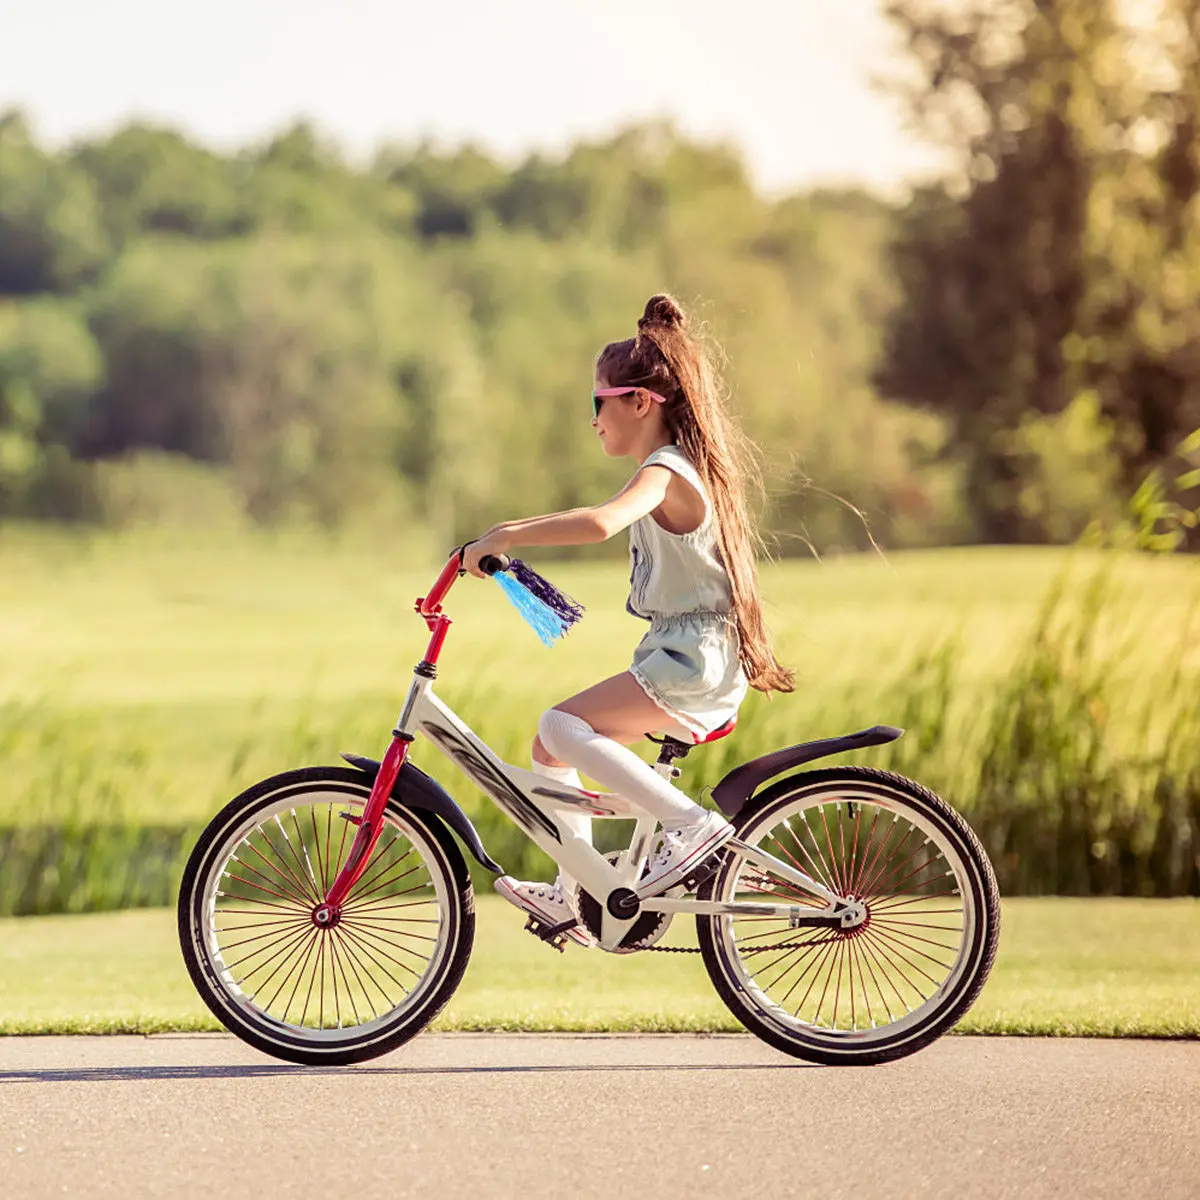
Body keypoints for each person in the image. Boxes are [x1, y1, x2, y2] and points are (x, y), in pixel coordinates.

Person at [463, 293, 794, 942]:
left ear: (639, 402)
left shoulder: (666, 471)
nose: (593, 421)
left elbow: (601, 522)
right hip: (684, 655)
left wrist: (507, 532)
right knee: (547, 748)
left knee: (560, 724)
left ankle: (693, 829)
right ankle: (572, 891)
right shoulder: (679, 468)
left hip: (694, 660)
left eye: (598, 403)